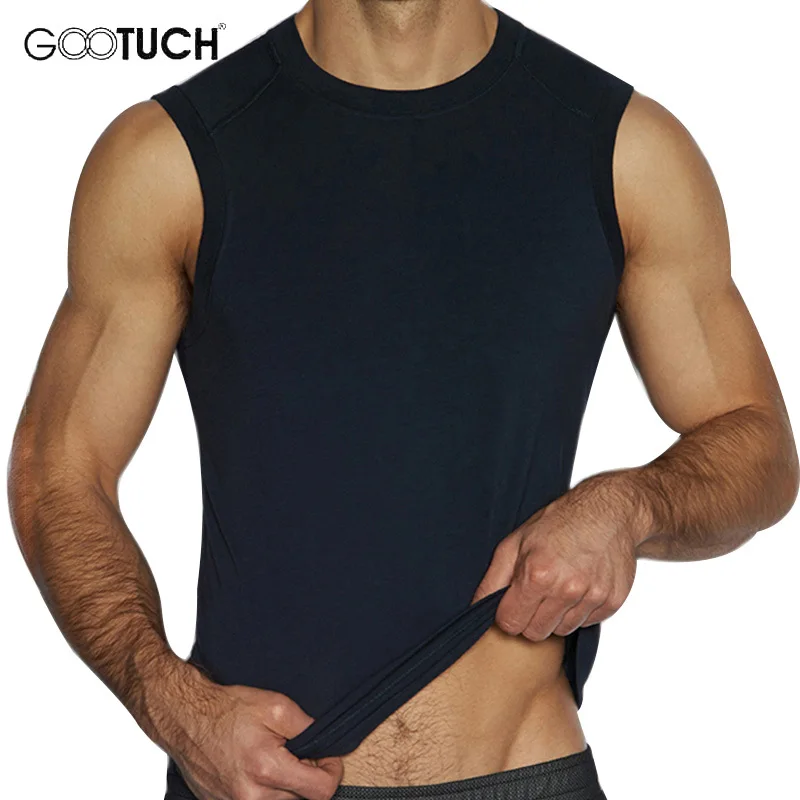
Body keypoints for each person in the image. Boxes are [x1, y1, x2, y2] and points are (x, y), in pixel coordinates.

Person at [8, 2, 798, 799]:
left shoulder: (627, 149)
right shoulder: (169, 157)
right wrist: (174, 706)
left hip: (523, 772)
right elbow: (58, 469)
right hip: (257, 784)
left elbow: (757, 439)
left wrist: (628, 506)